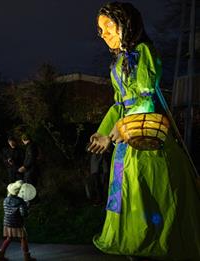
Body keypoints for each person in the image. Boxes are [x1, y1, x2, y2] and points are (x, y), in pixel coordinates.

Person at [88, 2, 200, 260]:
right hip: (124, 145)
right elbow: (120, 103)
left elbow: (144, 99)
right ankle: (131, 245)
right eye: (100, 29)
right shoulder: (117, 64)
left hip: (144, 140)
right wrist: (103, 131)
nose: (103, 33)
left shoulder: (143, 52)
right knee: (124, 196)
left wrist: (115, 132)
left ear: (126, 25)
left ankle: (150, 245)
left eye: (108, 26)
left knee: (146, 196)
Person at [0, 180, 36, 261]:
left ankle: (0, 256)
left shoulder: (6, 199)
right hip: (17, 223)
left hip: (7, 223)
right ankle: (27, 258)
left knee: (9, 238)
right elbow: (24, 214)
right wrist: (26, 206)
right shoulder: (21, 201)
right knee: (23, 238)